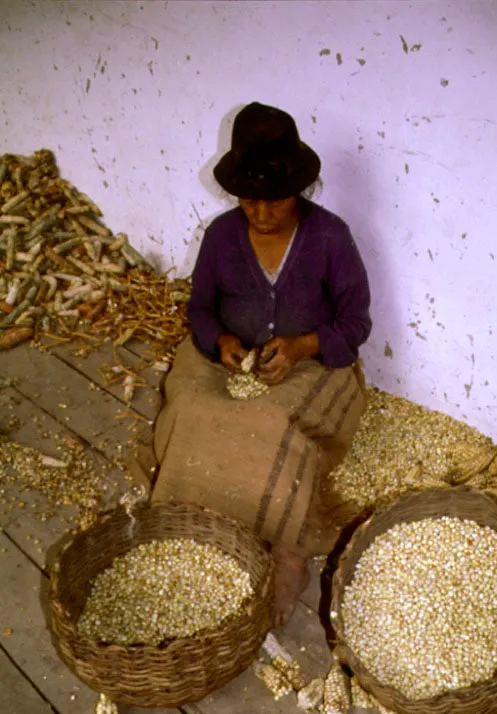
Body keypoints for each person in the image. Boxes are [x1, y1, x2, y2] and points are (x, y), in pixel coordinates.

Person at [137, 102, 372, 626]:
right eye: (249, 200)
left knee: (271, 421)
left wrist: (303, 345)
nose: (261, 214)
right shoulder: (222, 235)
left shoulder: (330, 237)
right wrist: (220, 339)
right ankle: (195, 525)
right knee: (195, 409)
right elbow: (199, 307)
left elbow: (356, 325)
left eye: (276, 201)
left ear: (301, 190)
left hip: (315, 363)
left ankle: (287, 546)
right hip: (229, 359)